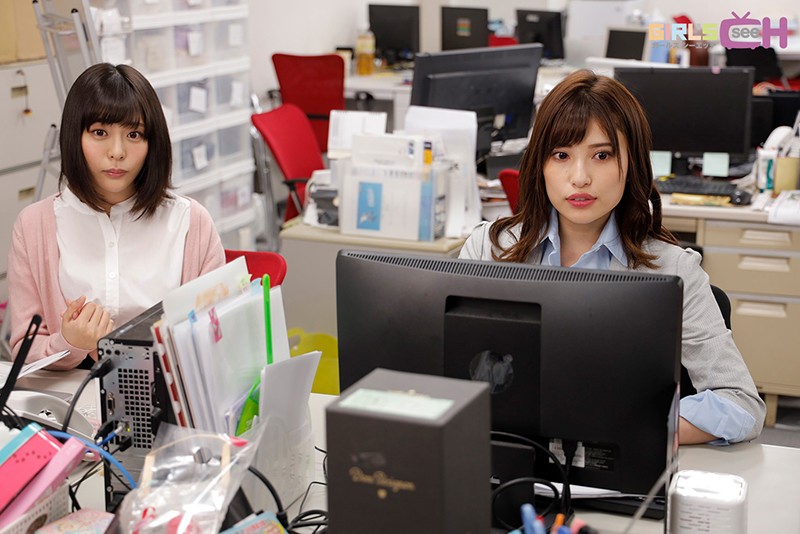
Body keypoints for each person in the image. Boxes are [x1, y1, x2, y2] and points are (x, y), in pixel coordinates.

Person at [460, 69, 766, 445]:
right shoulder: (489, 251)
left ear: (631, 162)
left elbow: (741, 404)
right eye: (561, 155)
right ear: (540, 165)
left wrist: (635, 427)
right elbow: (449, 377)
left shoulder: (673, 270)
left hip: (614, 464)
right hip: (509, 456)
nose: (580, 177)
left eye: (602, 155)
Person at [8, 63, 225, 370]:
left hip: (166, 391)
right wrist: (68, 342)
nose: (117, 151)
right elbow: (23, 351)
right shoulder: (34, 226)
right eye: (100, 133)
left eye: (134, 134)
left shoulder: (192, 223)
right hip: (72, 394)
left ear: (152, 142)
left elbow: (218, 339)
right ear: (74, 137)